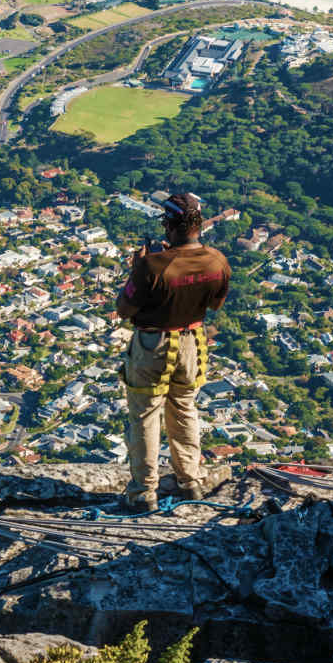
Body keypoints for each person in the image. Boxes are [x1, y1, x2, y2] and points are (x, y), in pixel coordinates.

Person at [115, 192, 231, 511]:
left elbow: (124, 308)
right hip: (192, 340)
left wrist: (139, 267)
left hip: (153, 344)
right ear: (198, 226)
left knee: (146, 414)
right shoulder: (217, 261)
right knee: (184, 408)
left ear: (168, 224)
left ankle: (144, 491)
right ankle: (190, 481)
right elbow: (214, 303)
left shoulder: (152, 265)